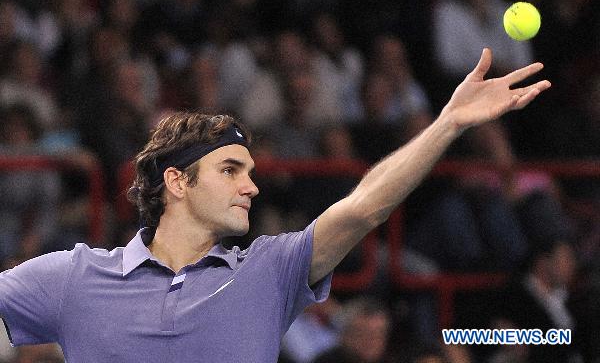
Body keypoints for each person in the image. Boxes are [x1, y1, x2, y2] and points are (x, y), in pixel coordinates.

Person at [0, 48, 551, 361]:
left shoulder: (270, 270)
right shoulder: (72, 276)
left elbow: (363, 208)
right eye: (230, 170)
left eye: (253, 172)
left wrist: (448, 124)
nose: (252, 187)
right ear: (177, 181)